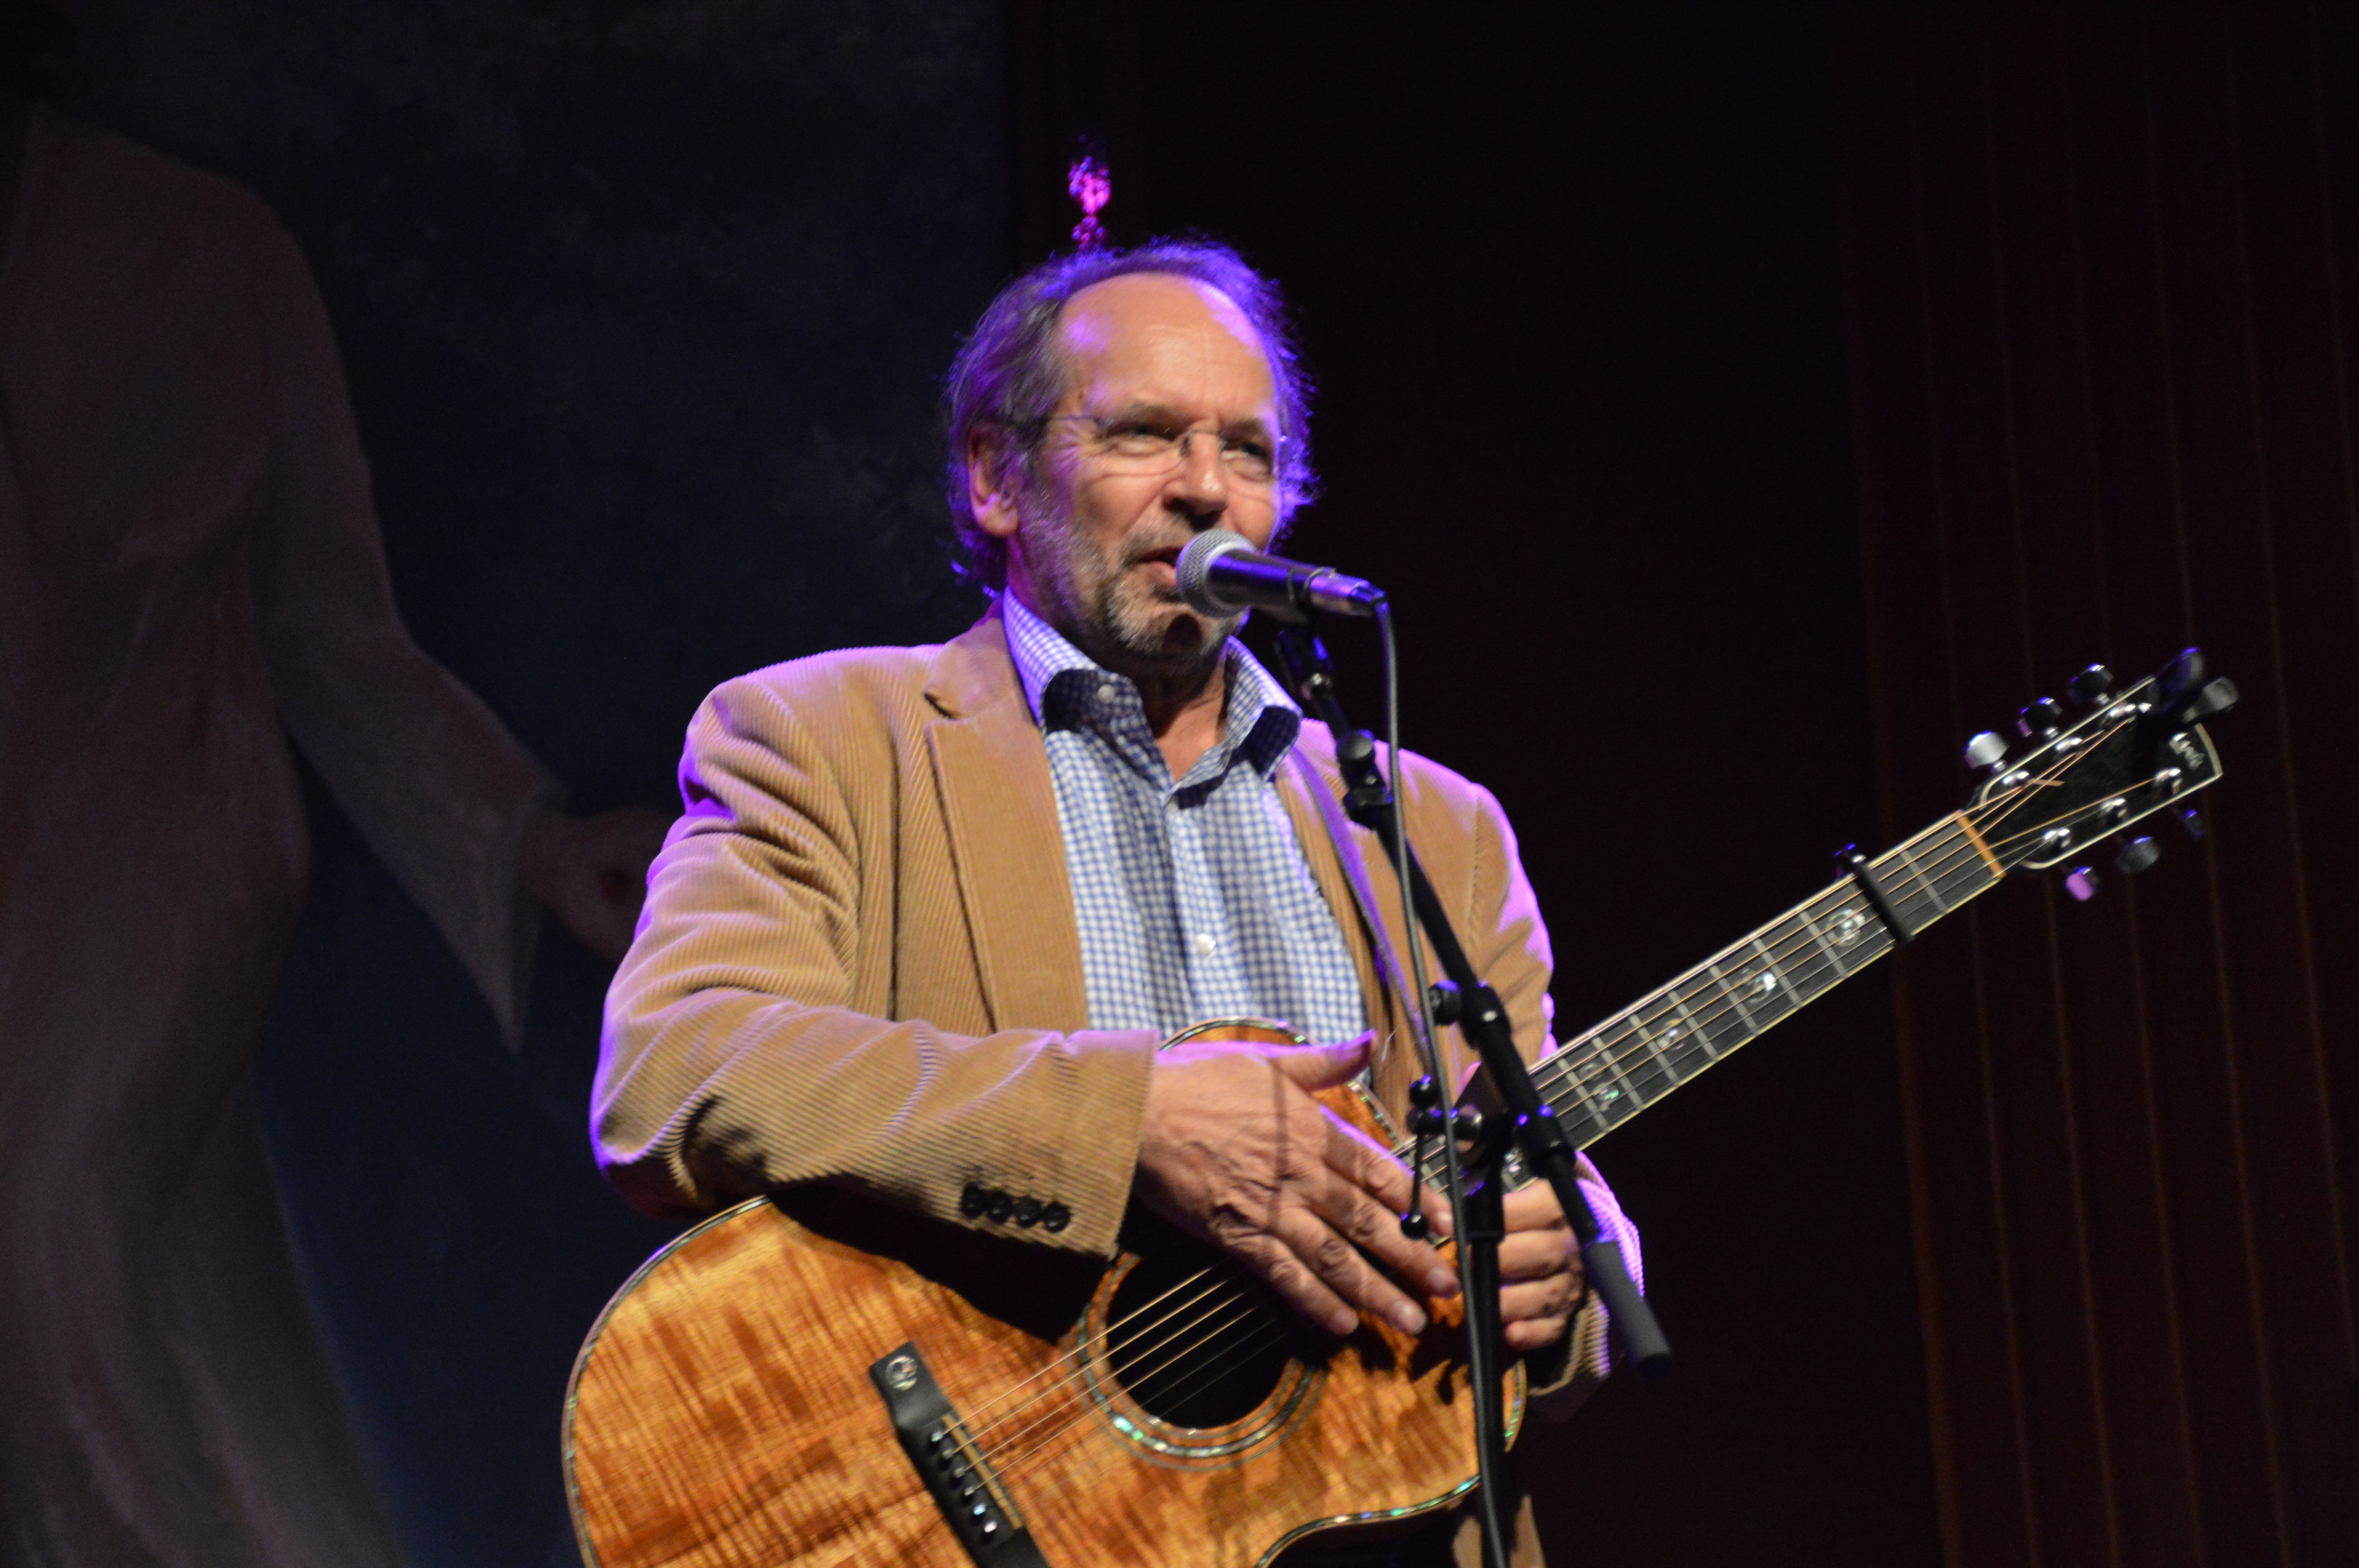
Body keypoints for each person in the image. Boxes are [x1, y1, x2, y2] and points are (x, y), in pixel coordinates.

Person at [596, 239, 1639, 1567]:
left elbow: (1531, 1167)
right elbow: (673, 1071)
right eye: (1145, 432)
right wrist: (1122, 1124)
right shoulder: (825, 738)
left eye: (1248, 452)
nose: (1204, 487)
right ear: (995, 475)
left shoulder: (1437, 828)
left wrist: (1575, 1272)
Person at [0, 12, 666, 1566]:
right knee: (177, 1307)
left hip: (161, 844)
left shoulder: (202, 250)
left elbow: (329, 621)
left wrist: (526, 836)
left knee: (45, 1224)